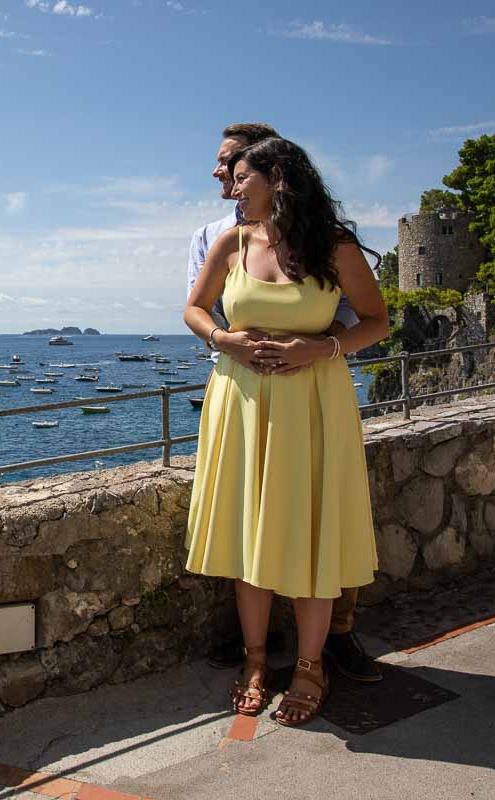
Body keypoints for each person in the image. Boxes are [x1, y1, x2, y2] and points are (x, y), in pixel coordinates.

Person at [182, 137, 389, 726]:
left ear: (277, 177)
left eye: (243, 177)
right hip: (242, 403)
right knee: (252, 534)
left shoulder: (335, 247)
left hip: (312, 403)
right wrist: (224, 340)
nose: (233, 188)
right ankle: (254, 662)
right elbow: (194, 310)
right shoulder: (232, 241)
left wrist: (318, 348)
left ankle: (309, 666)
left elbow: (377, 321)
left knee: (311, 534)